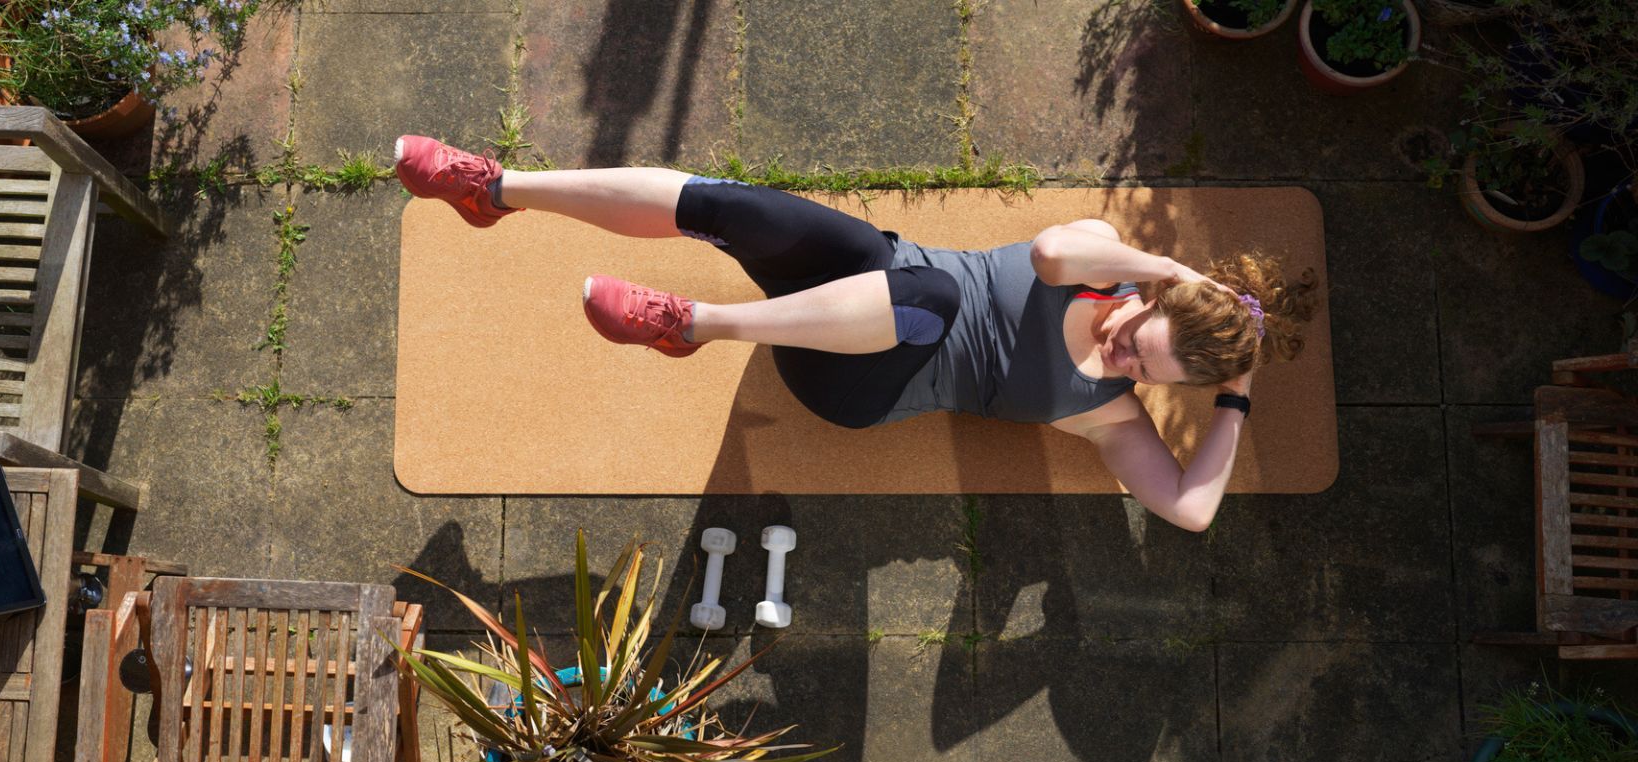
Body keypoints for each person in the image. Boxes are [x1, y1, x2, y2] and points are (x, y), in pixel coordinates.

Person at [394, 136, 1315, 532]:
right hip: (854, 279)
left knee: (937, 300)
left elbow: (1191, 511)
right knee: (725, 206)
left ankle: (695, 326)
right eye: (1137, 342)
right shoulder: (1107, 259)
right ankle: (494, 190)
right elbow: (1043, 251)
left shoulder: (1112, 417)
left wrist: (1233, 396)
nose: (1124, 363)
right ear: (1153, 299)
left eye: (1147, 375)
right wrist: (1167, 271)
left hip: (848, 383)